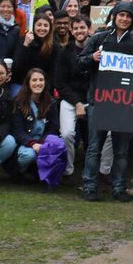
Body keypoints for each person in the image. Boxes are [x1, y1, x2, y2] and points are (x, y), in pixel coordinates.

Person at [78, 0, 133, 202]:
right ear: (114, 16)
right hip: (99, 101)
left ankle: (118, 188)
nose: (124, 19)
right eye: (121, 15)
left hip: (124, 104)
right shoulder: (98, 39)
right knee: (94, 147)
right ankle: (90, 187)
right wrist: (92, 58)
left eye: (128, 16)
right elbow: (79, 63)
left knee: (121, 150)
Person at [54, 16, 91, 177]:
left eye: (82, 28)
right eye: (75, 28)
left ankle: (94, 172)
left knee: (97, 136)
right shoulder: (65, 52)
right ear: (71, 30)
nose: (79, 31)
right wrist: (76, 103)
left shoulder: (97, 50)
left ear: (89, 29)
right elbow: (60, 83)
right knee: (67, 133)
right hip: (70, 99)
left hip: (92, 99)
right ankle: (68, 170)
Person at [11, 68, 63, 182]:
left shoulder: (51, 102)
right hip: (25, 143)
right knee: (28, 155)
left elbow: (53, 127)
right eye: (34, 80)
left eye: (41, 80)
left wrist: (43, 143)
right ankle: (19, 172)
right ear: (28, 83)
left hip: (43, 142)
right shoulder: (18, 102)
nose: (38, 83)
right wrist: (33, 144)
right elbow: (17, 131)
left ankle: (43, 174)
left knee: (58, 147)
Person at [14, 13, 58, 95]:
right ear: (33, 26)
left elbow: (53, 72)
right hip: (22, 83)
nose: (42, 28)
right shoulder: (24, 40)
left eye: (45, 25)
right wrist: (25, 45)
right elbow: (17, 68)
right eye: (39, 25)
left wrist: (44, 88)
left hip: (42, 85)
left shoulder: (53, 46)